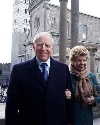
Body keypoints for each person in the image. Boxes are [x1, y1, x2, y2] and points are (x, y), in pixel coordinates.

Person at [5, 32, 74, 125]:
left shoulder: (63, 69)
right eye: (40, 45)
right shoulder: (19, 70)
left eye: (47, 45)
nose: (43, 48)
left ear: (52, 48)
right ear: (33, 46)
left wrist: (70, 122)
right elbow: (11, 104)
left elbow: (69, 101)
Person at [67, 45, 100, 125]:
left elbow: (99, 93)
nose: (82, 63)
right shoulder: (66, 76)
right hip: (72, 120)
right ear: (72, 61)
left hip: (87, 119)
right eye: (79, 60)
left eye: (84, 60)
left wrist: (94, 99)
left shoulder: (91, 76)